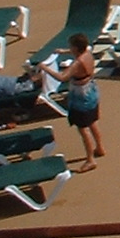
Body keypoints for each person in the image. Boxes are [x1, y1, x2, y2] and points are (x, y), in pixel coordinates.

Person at [39, 32, 105, 171]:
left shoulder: (77, 63)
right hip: (91, 90)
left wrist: (44, 68)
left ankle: (90, 160)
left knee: (83, 128)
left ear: (75, 48)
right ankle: (99, 148)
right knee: (93, 121)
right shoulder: (87, 53)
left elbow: (62, 77)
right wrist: (63, 51)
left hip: (81, 95)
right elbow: (80, 51)